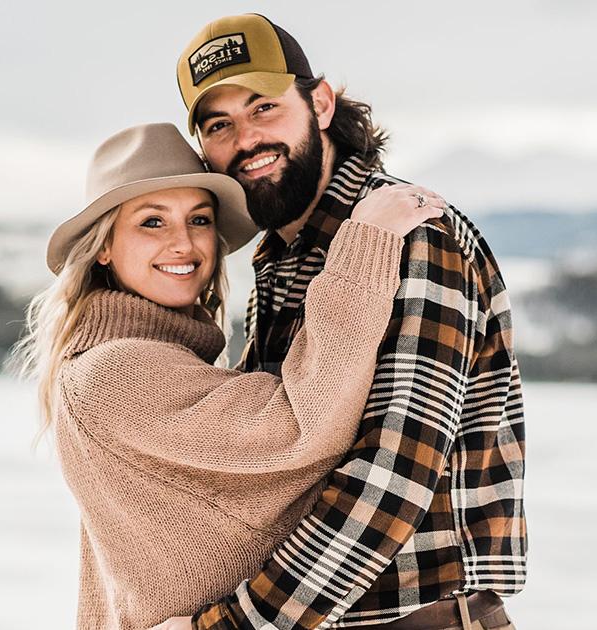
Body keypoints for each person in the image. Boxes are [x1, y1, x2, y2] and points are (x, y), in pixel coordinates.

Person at [156, 14, 529, 630]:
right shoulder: (279, 259)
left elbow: (394, 472)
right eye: (219, 125)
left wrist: (235, 626)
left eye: (263, 108)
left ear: (320, 103)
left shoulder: (411, 234)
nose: (246, 140)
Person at [9, 122, 444, 629]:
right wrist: (365, 248)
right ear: (103, 247)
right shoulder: (115, 372)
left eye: (198, 220)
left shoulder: (137, 359)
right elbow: (303, 424)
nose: (183, 243)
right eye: (152, 222)